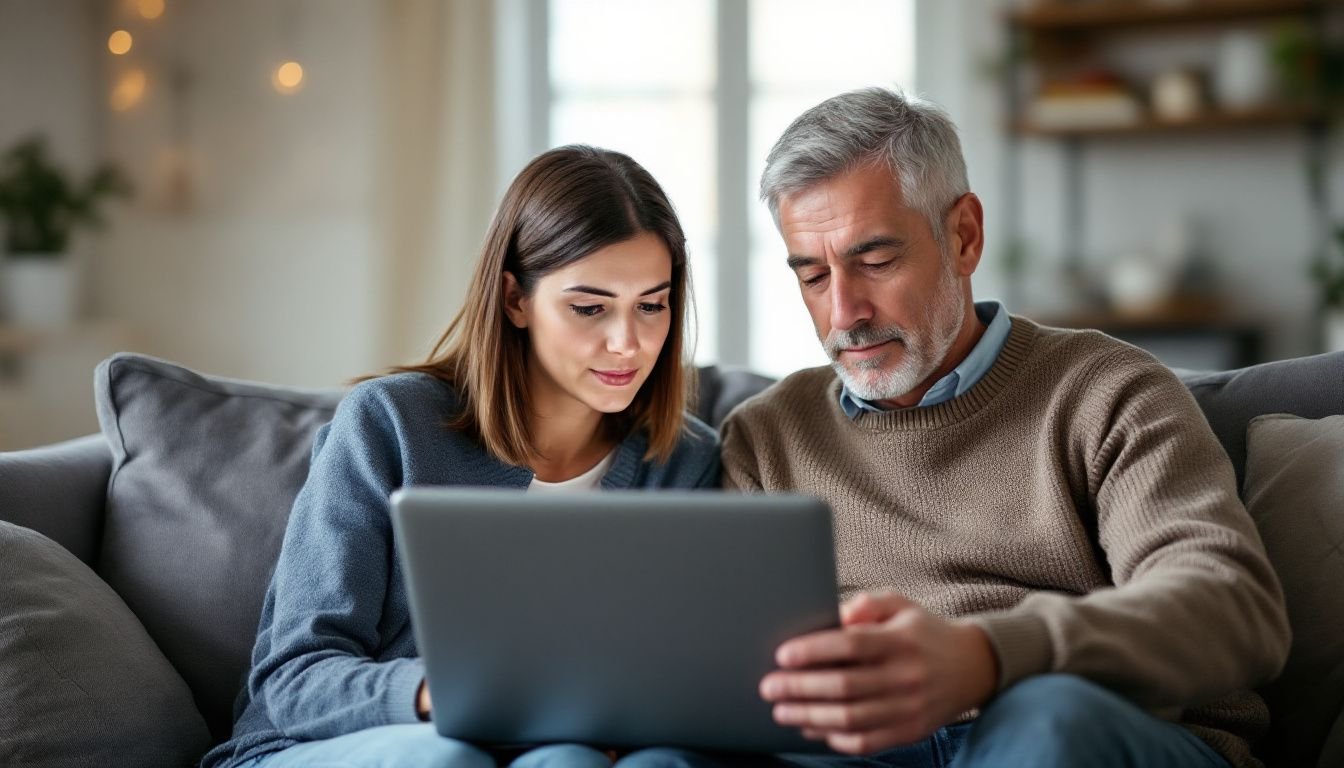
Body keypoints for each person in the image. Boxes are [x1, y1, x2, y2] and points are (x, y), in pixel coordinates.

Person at [720, 88, 1290, 768]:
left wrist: (988, 657)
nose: (844, 312)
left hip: (1084, 731)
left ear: (963, 236)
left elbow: (1234, 609)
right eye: (813, 275)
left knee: (1045, 717)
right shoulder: (766, 437)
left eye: (875, 261)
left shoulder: (1106, 393)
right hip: (867, 752)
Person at [203, 145, 720, 768]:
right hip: (333, 745)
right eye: (589, 308)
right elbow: (293, 679)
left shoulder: (683, 460)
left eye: (651, 305)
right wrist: (450, 694)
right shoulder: (389, 423)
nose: (627, 343)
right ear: (514, 298)